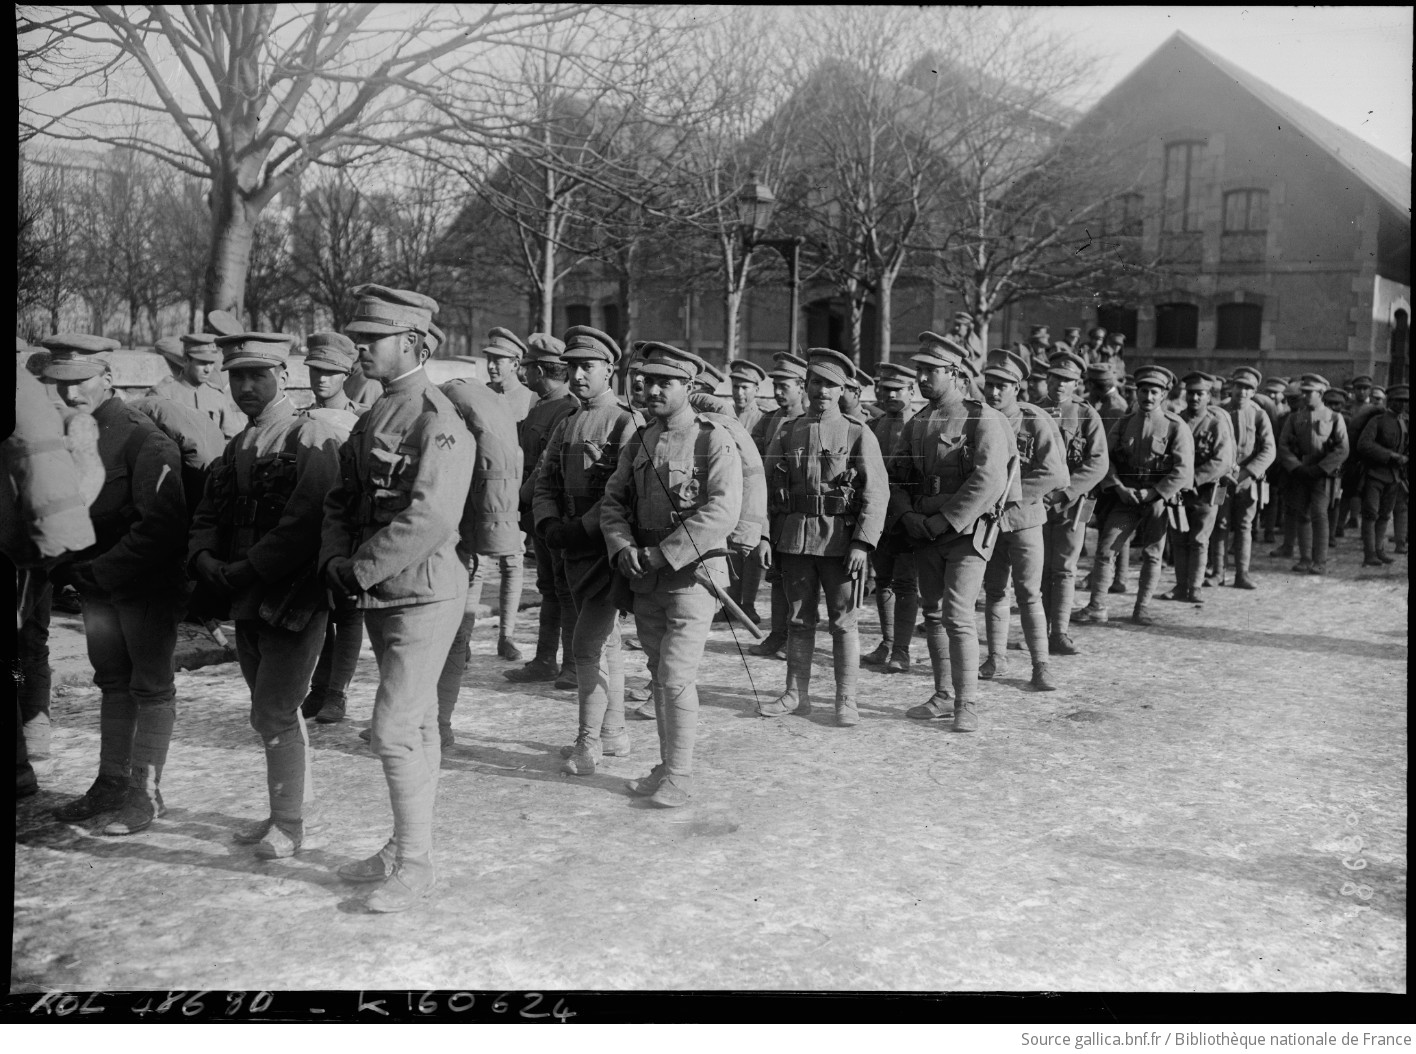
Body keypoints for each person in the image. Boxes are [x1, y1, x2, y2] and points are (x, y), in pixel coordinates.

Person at [320, 284, 475, 912]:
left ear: (413, 341)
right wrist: (336, 558)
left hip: (424, 594)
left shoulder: (438, 420)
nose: (359, 347)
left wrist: (354, 570)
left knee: (390, 730)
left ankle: (414, 865)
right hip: (380, 592)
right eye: (359, 337)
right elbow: (341, 497)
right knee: (415, 728)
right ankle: (405, 846)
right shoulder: (373, 414)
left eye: (372, 338)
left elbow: (431, 519)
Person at [188, 330, 343, 858]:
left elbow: (306, 521)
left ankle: (290, 823)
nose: (246, 386)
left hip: (292, 595)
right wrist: (204, 557)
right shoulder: (238, 443)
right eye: (237, 375)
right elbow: (209, 511)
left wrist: (244, 568)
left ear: (284, 375)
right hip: (245, 594)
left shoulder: (309, 436)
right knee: (267, 710)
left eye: (258, 375)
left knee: (275, 709)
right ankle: (283, 810)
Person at [43, 334, 188, 835]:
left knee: (150, 685)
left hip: (143, 586)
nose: (69, 394)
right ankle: (110, 783)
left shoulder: (141, 437)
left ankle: (145, 794)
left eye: (79, 381)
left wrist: (97, 572)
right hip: (96, 586)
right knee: (112, 682)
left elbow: (161, 525)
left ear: (108, 376)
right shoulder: (67, 433)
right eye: (59, 384)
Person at [599, 342, 743, 805]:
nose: (652, 388)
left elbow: (723, 510)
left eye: (666, 381)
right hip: (645, 576)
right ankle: (666, 765)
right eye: (648, 379)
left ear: (690, 386)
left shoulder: (712, 438)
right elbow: (613, 502)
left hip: (692, 576)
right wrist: (621, 545)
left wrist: (663, 553)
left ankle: (679, 775)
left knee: (676, 674)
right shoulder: (641, 438)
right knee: (659, 671)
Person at [889, 333, 1017, 733]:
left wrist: (946, 520)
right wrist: (908, 515)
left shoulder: (983, 418)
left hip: (964, 533)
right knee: (933, 612)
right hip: (924, 530)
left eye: (931, 371)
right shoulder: (919, 422)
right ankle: (944, 694)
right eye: (920, 371)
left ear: (955, 373)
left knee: (958, 616)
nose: (922, 379)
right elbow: (897, 478)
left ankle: (967, 703)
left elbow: (988, 480)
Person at [532, 326, 642, 776]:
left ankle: (588, 742)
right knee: (606, 644)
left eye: (587, 367)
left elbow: (624, 493)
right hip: (568, 547)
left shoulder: (625, 422)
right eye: (572, 367)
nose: (577, 375)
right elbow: (545, 481)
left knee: (585, 646)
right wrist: (548, 523)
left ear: (609, 370)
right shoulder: (566, 422)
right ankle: (614, 733)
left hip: (604, 549)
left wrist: (581, 528)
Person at [758, 349, 888, 727]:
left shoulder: (857, 433)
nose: (822, 391)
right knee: (798, 621)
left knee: (843, 622)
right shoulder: (787, 430)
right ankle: (796, 695)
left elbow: (876, 493)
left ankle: (846, 700)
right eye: (816, 382)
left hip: (840, 543)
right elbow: (765, 489)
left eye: (831, 385)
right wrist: (765, 536)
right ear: (806, 385)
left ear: (843, 389)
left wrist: (863, 543)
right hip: (795, 540)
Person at [432, 322, 524, 744]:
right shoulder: (474, 400)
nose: (492, 365)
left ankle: (437, 721)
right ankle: (433, 720)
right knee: (453, 629)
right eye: (489, 358)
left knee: (446, 628)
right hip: (472, 527)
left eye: (500, 359)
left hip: (474, 524)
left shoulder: (465, 404)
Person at [1073, 365, 1195, 627]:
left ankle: (1142, 608)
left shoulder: (1175, 426)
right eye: (1143, 391)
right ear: (1136, 393)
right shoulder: (1124, 423)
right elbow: (1107, 459)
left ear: (1163, 395)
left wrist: (1154, 492)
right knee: (1106, 550)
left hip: (1158, 501)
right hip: (1126, 499)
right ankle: (1097, 606)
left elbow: (1183, 470)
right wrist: (1118, 487)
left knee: (1152, 554)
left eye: (1154, 392)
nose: (1148, 397)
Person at [977, 349, 1069, 690]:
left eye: (1003, 385)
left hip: (1025, 517)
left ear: (1019, 387)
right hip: (988, 521)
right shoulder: (981, 420)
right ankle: (996, 657)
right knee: (994, 589)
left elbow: (1056, 474)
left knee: (1029, 593)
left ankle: (1040, 664)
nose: (994, 392)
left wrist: (1006, 494)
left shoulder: (1034, 420)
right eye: (990, 384)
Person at [298, 332, 366, 725]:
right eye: (315, 371)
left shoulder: (363, 419)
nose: (321, 379)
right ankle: (319, 687)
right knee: (317, 611)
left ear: (346, 374)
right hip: (310, 526)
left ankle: (337, 693)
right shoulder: (299, 418)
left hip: (349, 526)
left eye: (331, 372)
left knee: (348, 612)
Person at [507, 334, 580, 686]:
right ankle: (545, 659)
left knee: (564, 590)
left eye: (527, 367)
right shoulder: (540, 406)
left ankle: (571, 665)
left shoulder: (566, 408)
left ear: (539, 370)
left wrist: (521, 496)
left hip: (555, 512)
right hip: (537, 511)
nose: (524, 374)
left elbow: (547, 468)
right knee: (549, 588)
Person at [1035, 350, 1108, 655]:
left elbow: (1098, 462)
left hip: (1070, 505)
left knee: (1064, 567)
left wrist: (1066, 492)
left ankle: (1059, 632)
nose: (1060, 385)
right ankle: (1038, 630)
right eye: (1055, 378)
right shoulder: (1031, 411)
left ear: (1077, 383)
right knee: (1037, 568)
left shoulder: (1086, 415)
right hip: (1035, 503)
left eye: (1068, 380)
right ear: (1047, 378)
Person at [747, 352, 809, 658]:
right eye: (776, 385)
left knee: (799, 577)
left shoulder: (809, 421)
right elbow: (751, 456)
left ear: (801, 386)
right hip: (772, 506)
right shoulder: (768, 420)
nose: (778, 391)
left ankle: (794, 636)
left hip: (799, 509)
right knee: (775, 574)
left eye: (785, 385)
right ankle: (777, 634)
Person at [863, 363, 919, 673]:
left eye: (899, 389)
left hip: (909, 517)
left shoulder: (922, 424)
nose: (891, 394)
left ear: (912, 392)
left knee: (906, 583)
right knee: (882, 579)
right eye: (886, 389)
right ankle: (887, 641)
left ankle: (902, 650)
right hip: (880, 516)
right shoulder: (875, 426)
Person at [1161, 372, 1235, 603]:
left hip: (1206, 492)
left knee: (1200, 540)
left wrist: (1193, 480)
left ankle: (1194, 587)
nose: (1194, 398)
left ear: (1209, 396)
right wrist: (1178, 482)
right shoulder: (1176, 420)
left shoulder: (1216, 423)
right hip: (1179, 494)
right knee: (1179, 539)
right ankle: (1180, 585)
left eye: (1199, 394)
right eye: (1191, 393)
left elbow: (1222, 460)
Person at [1275, 374, 1349, 575]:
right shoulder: (1294, 418)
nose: (1305, 396)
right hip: (1300, 473)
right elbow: (1283, 446)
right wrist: (1296, 467)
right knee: (1302, 514)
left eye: (1310, 393)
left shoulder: (1334, 417)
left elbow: (1342, 449)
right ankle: (1305, 558)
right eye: (1304, 392)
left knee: (1319, 514)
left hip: (1322, 474)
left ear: (1321, 394)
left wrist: (1321, 468)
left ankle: (1320, 560)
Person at [1213, 366, 1276, 590]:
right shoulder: (1219, 411)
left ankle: (1242, 574)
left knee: (1244, 526)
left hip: (1248, 480)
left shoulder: (1259, 414)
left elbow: (1269, 450)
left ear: (1253, 392)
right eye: (1239, 386)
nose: (1242, 392)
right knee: (1219, 524)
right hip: (1221, 480)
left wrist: (1246, 473)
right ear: (1232, 387)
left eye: (1248, 388)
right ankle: (1217, 572)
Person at [148, 332, 245, 439]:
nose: (208, 369)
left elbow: (229, 437)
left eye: (211, 363)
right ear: (186, 360)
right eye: (202, 363)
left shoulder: (217, 396)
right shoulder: (163, 394)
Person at [1356, 383, 1408, 566]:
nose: (1402, 405)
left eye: (1405, 401)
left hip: (1394, 477)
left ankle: (1379, 550)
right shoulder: (1377, 421)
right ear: (1390, 401)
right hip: (1374, 475)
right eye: (1398, 401)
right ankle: (1369, 554)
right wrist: (1391, 455)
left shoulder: (1404, 422)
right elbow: (1364, 445)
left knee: (1385, 515)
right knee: (1371, 514)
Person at [483, 327, 536, 423]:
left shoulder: (531, 399)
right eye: (489, 359)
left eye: (497, 361)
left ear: (515, 364)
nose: (490, 366)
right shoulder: (481, 393)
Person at [729, 358, 767, 435]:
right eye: (735, 387)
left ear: (756, 390)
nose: (739, 393)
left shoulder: (764, 419)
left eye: (744, 387)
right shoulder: (725, 415)